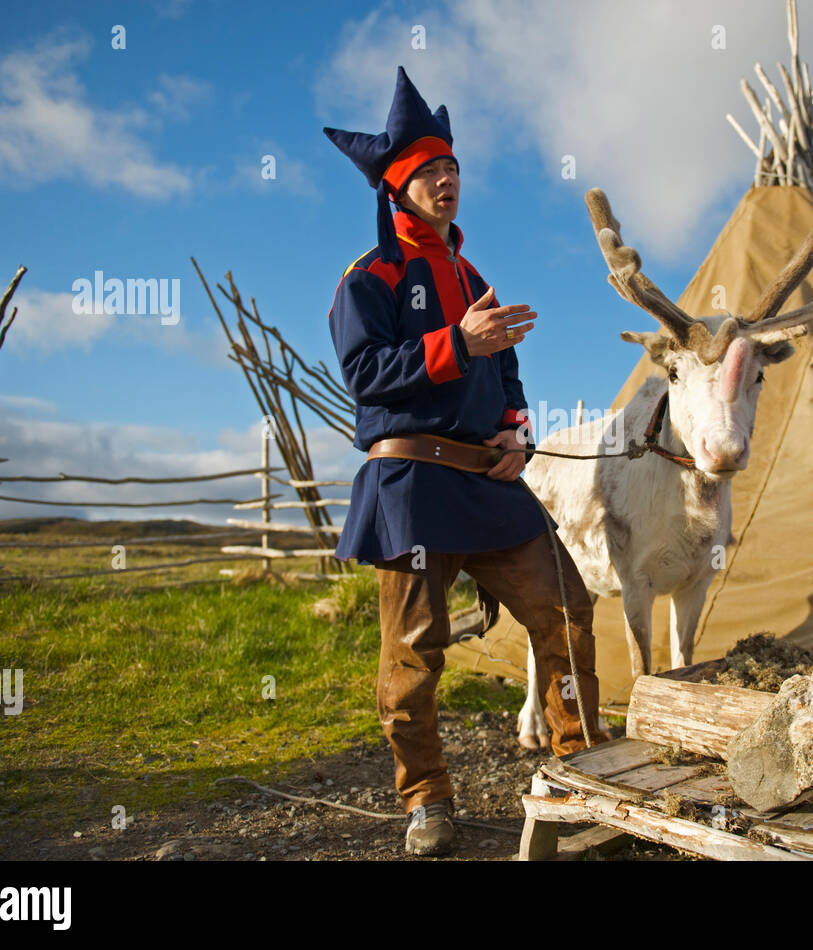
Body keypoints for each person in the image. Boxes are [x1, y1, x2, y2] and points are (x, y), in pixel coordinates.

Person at [323, 68, 609, 857]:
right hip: (411, 484)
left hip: (489, 482)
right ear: (396, 186)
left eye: (452, 169)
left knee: (566, 608)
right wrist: (458, 343)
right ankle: (427, 800)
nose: (447, 180)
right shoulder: (368, 278)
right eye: (429, 172)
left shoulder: (473, 277)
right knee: (415, 651)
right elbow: (366, 376)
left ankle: (577, 767)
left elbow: (506, 375)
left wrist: (517, 430)